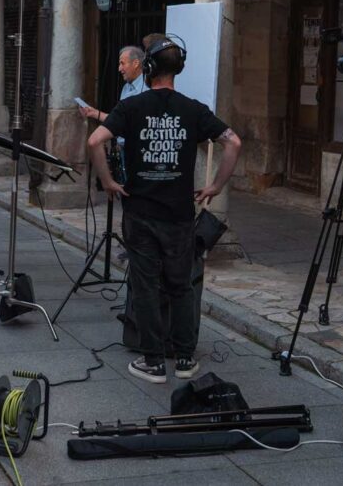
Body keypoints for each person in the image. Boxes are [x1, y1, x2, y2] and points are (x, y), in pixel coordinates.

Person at [87, 34, 242, 384]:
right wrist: (216, 185)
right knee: (181, 286)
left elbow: (95, 141)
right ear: (179, 69)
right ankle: (185, 359)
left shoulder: (132, 107)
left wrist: (108, 181)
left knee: (145, 284)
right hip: (179, 214)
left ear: (149, 69)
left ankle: (153, 361)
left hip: (140, 212)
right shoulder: (193, 109)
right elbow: (233, 141)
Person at [76, 45, 147, 123]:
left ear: (136, 63)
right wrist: (93, 113)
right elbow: (119, 119)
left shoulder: (148, 87)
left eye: (122, 63)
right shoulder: (126, 87)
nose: (119, 68)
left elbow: (129, 121)